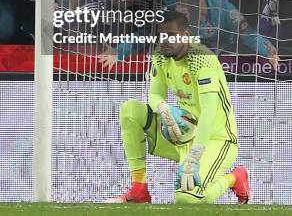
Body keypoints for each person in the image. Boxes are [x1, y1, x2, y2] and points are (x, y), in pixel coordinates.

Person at [107, 11, 250, 204]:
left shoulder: (202, 59)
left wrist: (194, 157)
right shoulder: (160, 55)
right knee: (130, 110)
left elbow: (209, 110)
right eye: (161, 35)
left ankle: (235, 178)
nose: (164, 41)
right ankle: (139, 188)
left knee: (186, 198)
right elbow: (154, 94)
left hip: (216, 139)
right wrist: (163, 107)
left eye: (171, 35)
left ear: (186, 35)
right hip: (183, 134)